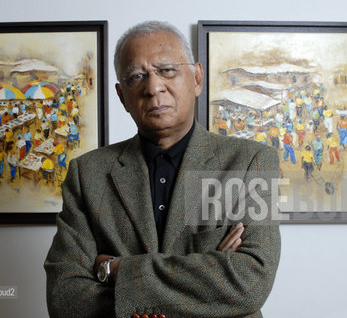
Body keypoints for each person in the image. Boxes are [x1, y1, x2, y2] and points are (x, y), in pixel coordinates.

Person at [45, 21, 280, 318]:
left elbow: (251, 283)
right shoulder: (86, 174)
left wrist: (116, 269)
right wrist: (210, 270)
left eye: (167, 70)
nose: (153, 87)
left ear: (196, 78)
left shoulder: (252, 162)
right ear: (122, 96)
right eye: (136, 76)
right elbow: (64, 298)